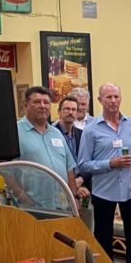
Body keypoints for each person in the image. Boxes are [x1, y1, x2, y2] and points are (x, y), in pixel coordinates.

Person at [78, 83, 131, 263]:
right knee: (103, 237)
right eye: (108, 97)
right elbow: (83, 164)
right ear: (99, 100)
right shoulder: (91, 130)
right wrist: (110, 163)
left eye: (116, 97)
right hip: (103, 192)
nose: (113, 101)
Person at [15, 85, 86, 211]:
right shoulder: (15, 132)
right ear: (26, 105)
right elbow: (6, 172)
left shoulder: (56, 133)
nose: (42, 106)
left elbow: (69, 168)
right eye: (37, 102)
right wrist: (23, 198)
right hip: (32, 208)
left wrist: (74, 197)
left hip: (62, 207)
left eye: (46, 102)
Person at [56, 94, 93, 230]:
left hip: (83, 187)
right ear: (59, 112)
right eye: (66, 109)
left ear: (77, 113)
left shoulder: (82, 134)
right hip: (60, 188)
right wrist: (73, 185)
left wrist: (81, 179)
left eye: (73, 109)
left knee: (85, 228)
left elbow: (90, 161)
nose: (70, 112)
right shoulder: (52, 134)